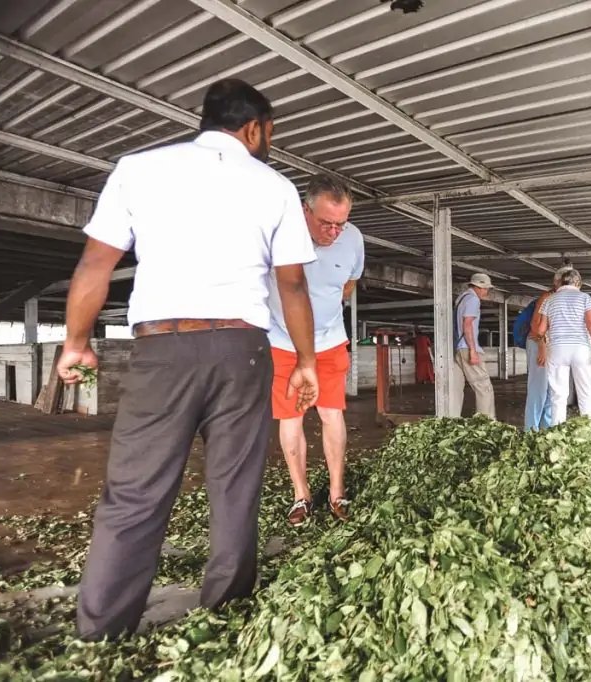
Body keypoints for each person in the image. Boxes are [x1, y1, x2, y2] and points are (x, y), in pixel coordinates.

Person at [57, 79, 320, 641]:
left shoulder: (137, 169)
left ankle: (101, 632)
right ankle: (225, 615)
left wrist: (76, 342)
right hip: (241, 352)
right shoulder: (275, 186)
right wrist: (305, 361)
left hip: (161, 350)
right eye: (270, 132)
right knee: (235, 485)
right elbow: (293, 285)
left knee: (135, 490)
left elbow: (95, 265)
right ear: (254, 128)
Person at [267, 174, 364, 526]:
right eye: (326, 223)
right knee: (290, 418)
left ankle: (337, 492)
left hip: (330, 341)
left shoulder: (353, 239)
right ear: (304, 210)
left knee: (331, 414)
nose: (334, 232)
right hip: (283, 344)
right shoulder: (278, 232)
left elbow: (349, 283)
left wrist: (325, 312)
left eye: (341, 224)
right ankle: (301, 495)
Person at [535, 268, 591, 426]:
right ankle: (590, 429)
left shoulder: (549, 300)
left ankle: (558, 431)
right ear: (578, 283)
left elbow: (540, 330)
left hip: (557, 349)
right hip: (580, 349)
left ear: (562, 282)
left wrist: (545, 341)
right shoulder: (584, 297)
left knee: (558, 395)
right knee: (586, 391)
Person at [524, 268, 568, 431]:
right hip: (538, 343)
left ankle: (546, 428)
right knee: (538, 388)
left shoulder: (563, 298)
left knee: (551, 389)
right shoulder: (546, 297)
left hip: (552, 346)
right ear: (557, 282)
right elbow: (535, 326)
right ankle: (530, 429)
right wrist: (542, 347)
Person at [450, 273, 496, 418]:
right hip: (467, 347)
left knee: (455, 389)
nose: (486, 291)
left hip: (457, 348)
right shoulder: (473, 300)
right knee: (484, 387)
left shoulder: (461, 299)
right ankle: (486, 422)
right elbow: (467, 324)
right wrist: (473, 350)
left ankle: (451, 419)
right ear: (478, 286)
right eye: (485, 288)